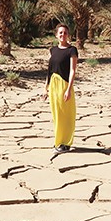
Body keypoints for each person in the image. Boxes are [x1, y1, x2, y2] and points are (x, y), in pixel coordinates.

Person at [45, 23, 78, 153]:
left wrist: (68, 89)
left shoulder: (72, 50)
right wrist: (45, 87)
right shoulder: (52, 50)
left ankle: (65, 143)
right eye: (60, 33)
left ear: (68, 35)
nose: (62, 35)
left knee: (66, 115)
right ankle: (58, 141)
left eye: (65, 33)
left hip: (64, 85)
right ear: (56, 35)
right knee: (56, 115)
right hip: (53, 84)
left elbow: (73, 71)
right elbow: (49, 70)